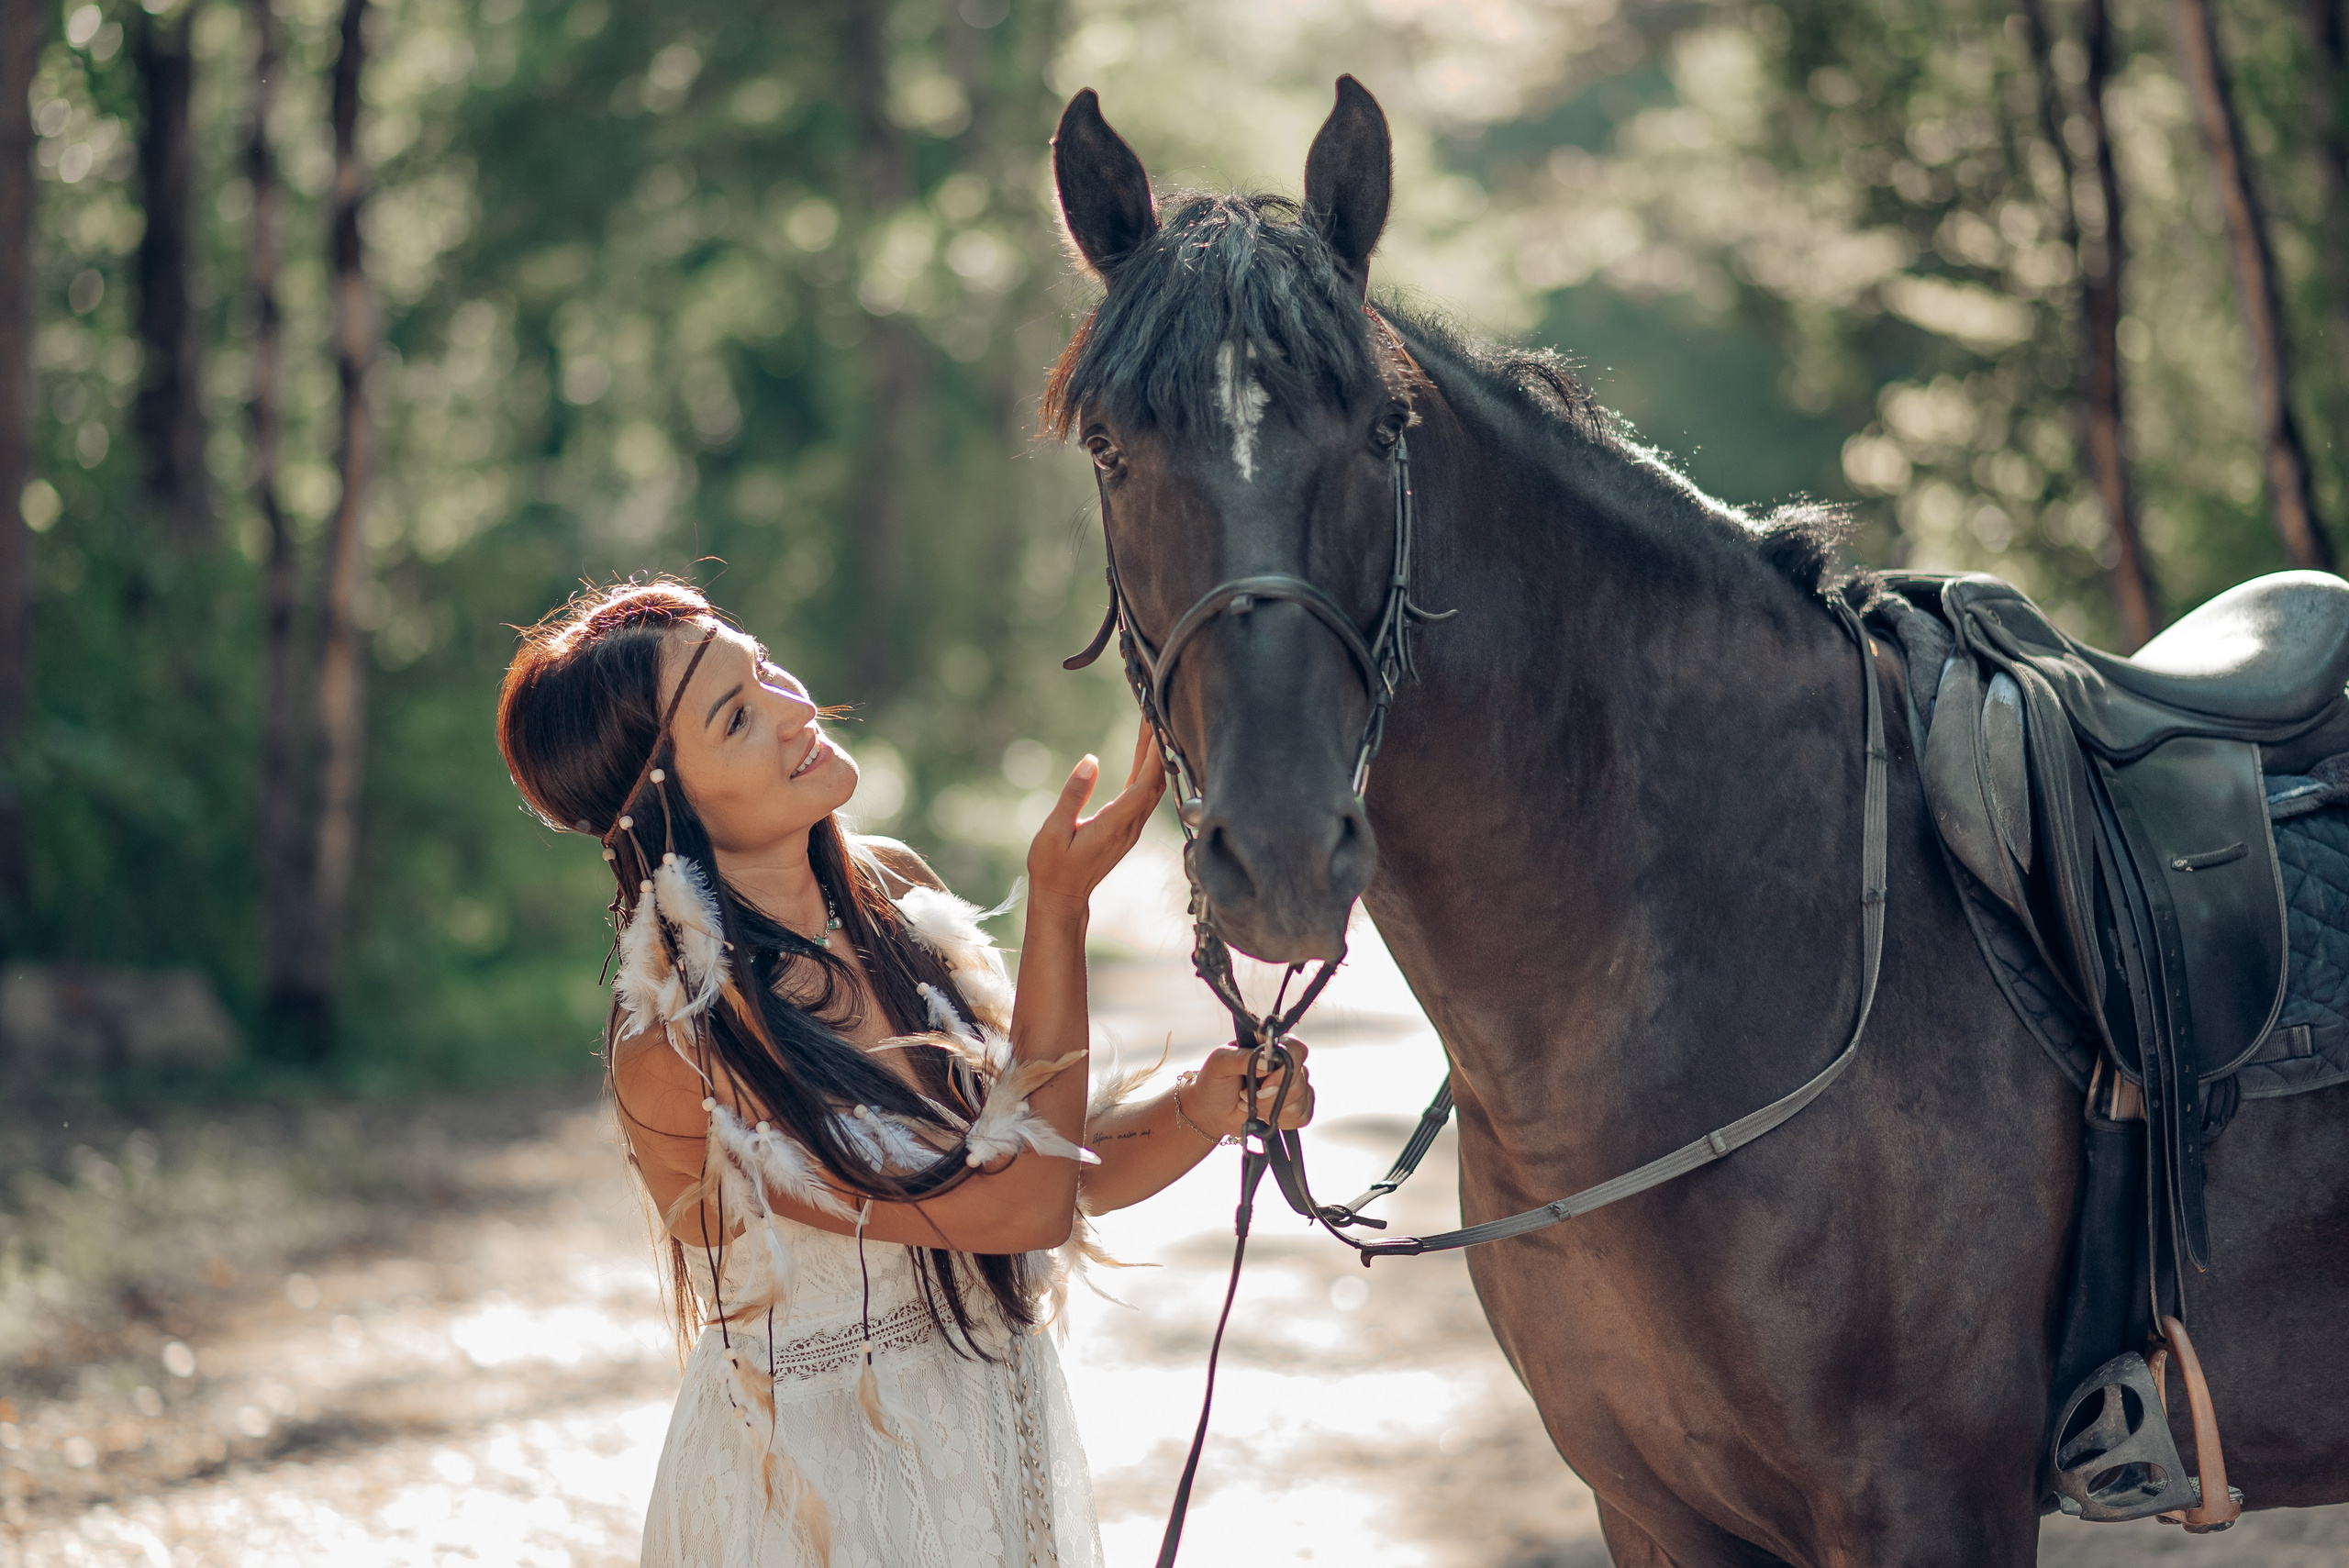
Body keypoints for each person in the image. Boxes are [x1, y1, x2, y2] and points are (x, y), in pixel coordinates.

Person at [495, 579, 1314, 1568]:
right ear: (663, 803)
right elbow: (1021, 1206)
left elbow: (1044, 1166)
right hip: (816, 1501)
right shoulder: (685, 1037)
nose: (797, 708)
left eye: (761, 667)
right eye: (739, 716)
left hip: (991, 1442)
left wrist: (1203, 1104)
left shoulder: (891, 891)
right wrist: (1058, 906)